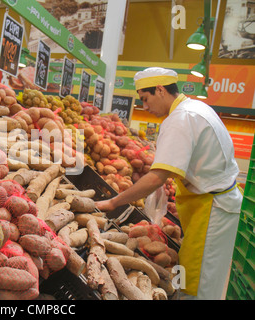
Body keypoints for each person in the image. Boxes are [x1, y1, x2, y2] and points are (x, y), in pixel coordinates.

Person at [95, 67, 243, 300]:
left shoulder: (180, 119)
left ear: (161, 90)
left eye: (145, 98)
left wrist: (113, 202)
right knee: (188, 268)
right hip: (209, 205)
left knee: (198, 281)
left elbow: (156, 177)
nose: (145, 106)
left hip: (212, 210)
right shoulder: (195, 108)